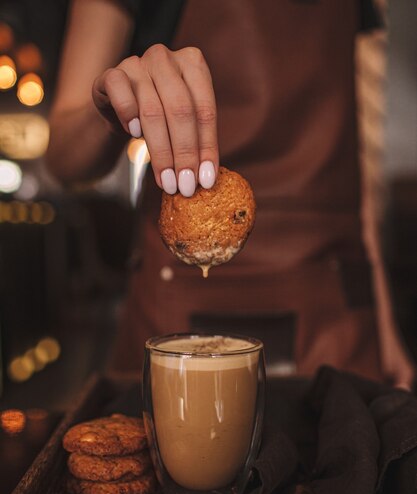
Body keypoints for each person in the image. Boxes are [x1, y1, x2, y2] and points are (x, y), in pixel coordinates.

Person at [46, 0, 415, 388]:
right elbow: (64, 161)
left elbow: (353, 147)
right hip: (179, 294)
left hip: (334, 299)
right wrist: (110, 109)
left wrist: (381, 312)